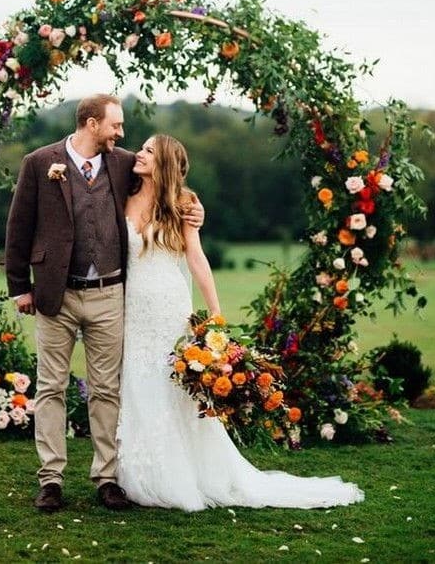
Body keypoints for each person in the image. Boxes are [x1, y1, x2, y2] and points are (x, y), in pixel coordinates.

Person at [117, 134, 364, 511]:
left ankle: (182, 475)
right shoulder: (123, 191)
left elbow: (196, 259)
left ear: (164, 162)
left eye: (149, 150)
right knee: (138, 383)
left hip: (169, 306)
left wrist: (215, 315)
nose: (139, 152)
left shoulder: (184, 204)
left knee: (173, 388)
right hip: (133, 310)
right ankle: (139, 472)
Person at [5, 95, 202, 513]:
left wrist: (194, 207)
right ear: (92, 123)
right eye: (115, 125)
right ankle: (52, 479)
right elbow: (18, 227)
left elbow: (168, 170)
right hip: (54, 293)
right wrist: (20, 286)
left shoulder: (121, 161)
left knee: (106, 389)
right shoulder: (40, 162)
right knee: (51, 386)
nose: (122, 134)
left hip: (110, 294)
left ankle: (106, 477)